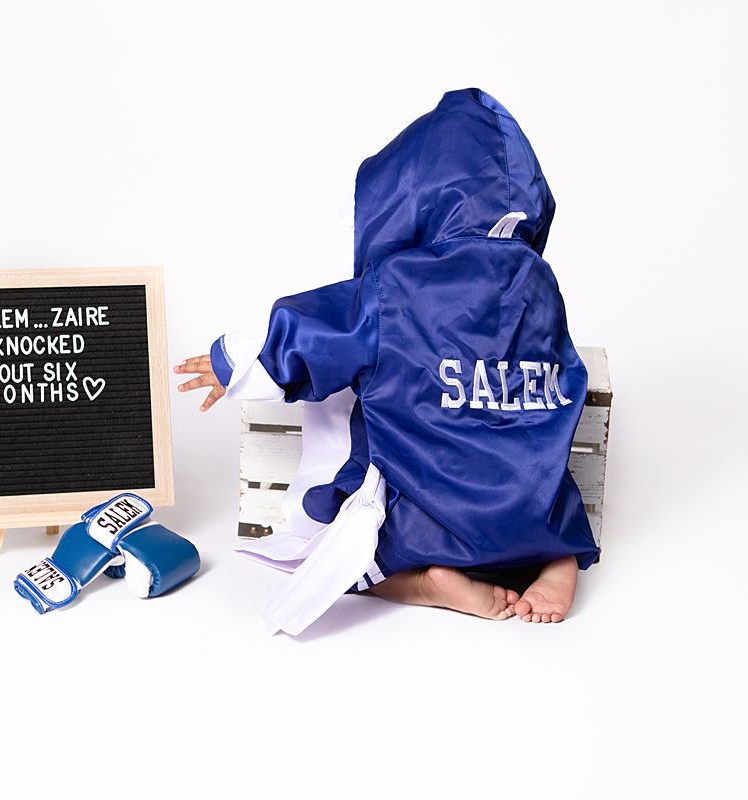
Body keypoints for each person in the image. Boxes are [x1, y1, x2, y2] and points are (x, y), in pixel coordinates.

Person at [176, 89, 599, 633]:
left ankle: (423, 583)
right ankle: (556, 558)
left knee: (333, 547)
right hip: (536, 511)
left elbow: (317, 328)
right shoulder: (541, 285)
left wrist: (233, 362)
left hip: (432, 521)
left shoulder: (398, 285)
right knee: (530, 483)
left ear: (415, 196)